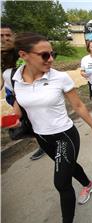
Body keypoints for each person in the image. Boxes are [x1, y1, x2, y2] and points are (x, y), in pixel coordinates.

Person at [3, 32, 92, 223]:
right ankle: (88, 184)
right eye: (45, 55)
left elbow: (78, 105)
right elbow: (18, 108)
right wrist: (11, 119)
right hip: (42, 138)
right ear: (24, 55)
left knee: (61, 181)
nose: (51, 59)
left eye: (53, 54)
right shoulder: (13, 78)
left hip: (65, 135)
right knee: (68, 165)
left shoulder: (59, 77)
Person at [1, 23, 46, 160]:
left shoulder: (23, 51)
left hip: (30, 91)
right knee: (27, 122)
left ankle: (48, 142)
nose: (4, 38)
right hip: (13, 94)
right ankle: (43, 143)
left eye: (8, 35)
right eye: (1, 36)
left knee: (38, 119)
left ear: (13, 36)